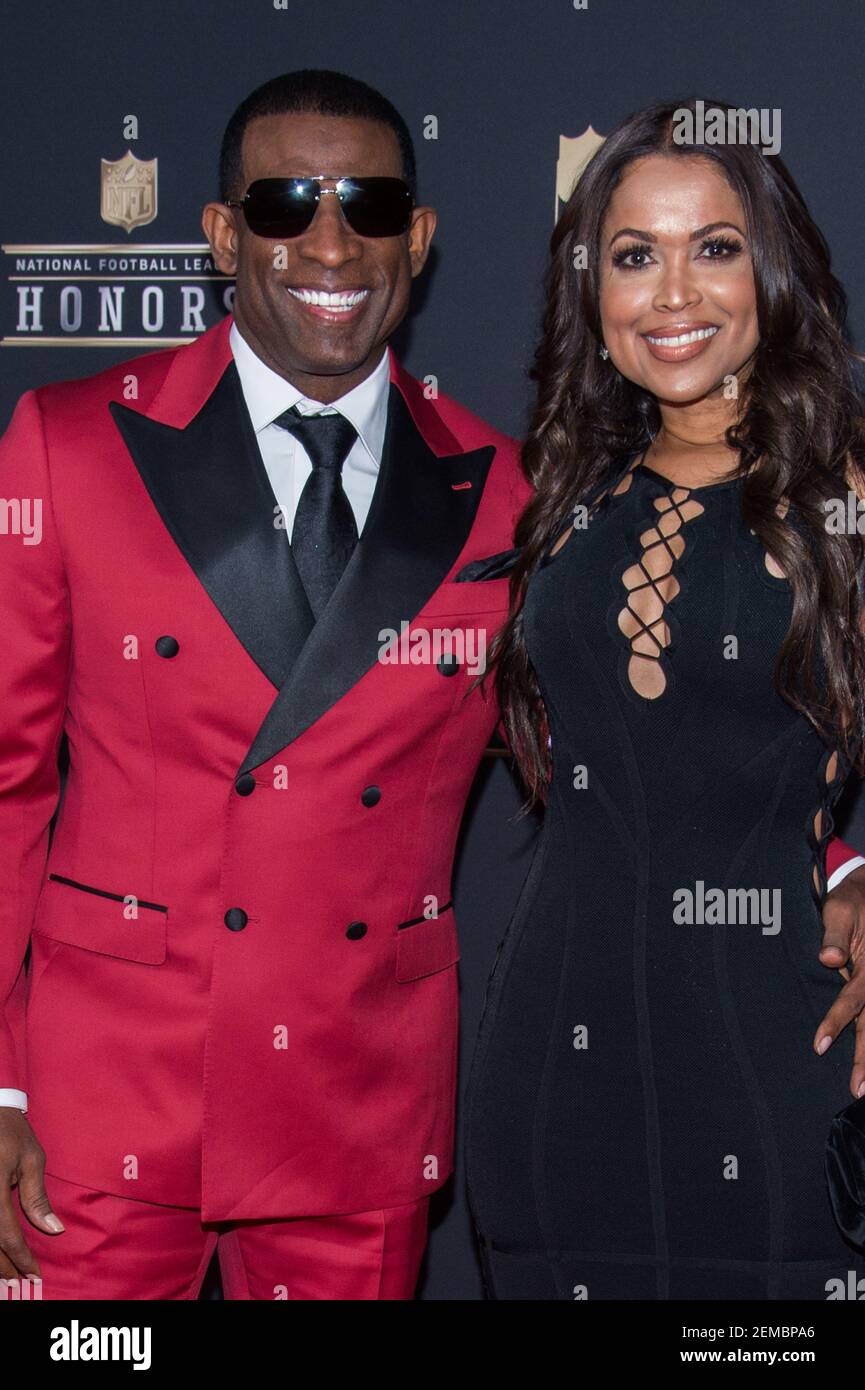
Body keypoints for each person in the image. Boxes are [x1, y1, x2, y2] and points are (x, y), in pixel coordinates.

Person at [0, 69, 527, 1300]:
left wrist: (828, 863)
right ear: (225, 233)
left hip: (357, 1104)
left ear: (422, 237)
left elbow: (617, 735)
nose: (331, 243)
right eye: (286, 204)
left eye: (372, 204)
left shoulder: (503, 487)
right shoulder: (69, 443)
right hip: (98, 1112)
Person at [464, 95, 865, 1301]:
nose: (673, 293)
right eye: (634, 255)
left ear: (772, 269)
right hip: (552, 1062)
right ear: (593, 291)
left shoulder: (846, 495)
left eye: (715, 247)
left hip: (771, 1053)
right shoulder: (556, 494)